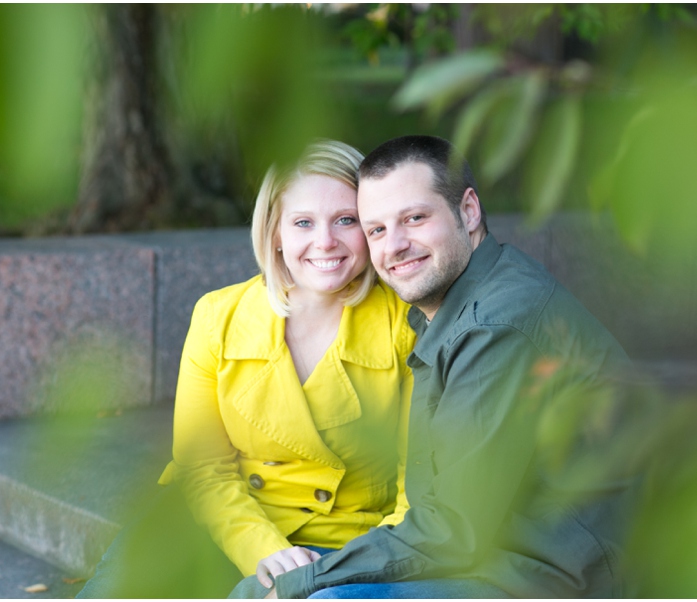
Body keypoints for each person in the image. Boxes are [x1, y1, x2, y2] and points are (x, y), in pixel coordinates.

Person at [232, 135, 635, 599]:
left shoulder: (496, 325)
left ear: (468, 211)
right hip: (486, 554)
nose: (395, 246)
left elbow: (452, 528)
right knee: (252, 589)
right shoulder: (452, 309)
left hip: (546, 573)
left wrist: (305, 581)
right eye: (376, 230)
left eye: (414, 218)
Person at [76, 140, 413, 598]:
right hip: (221, 521)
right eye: (302, 223)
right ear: (274, 232)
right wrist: (262, 549)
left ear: (370, 226)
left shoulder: (405, 322)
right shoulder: (219, 315)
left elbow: (418, 488)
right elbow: (202, 467)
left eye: (346, 220)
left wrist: (353, 568)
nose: (325, 241)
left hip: (347, 542)